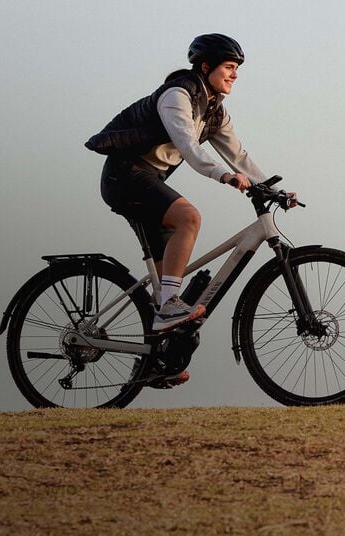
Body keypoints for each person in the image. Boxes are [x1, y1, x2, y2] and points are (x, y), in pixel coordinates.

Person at [86, 34, 291, 330]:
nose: (235, 75)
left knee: (167, 286)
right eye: (229, 67)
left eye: (237, 69)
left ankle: (161, 357)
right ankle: (169, 306)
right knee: (189, 218)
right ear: (206, 67)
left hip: (147, 181)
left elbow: (239, 156)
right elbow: (188, 146)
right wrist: (223, 175)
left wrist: (275, 191)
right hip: (125, 176)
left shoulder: (214, 112)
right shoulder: (177, 96)